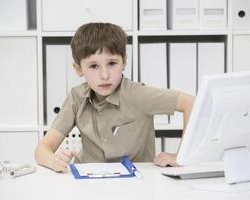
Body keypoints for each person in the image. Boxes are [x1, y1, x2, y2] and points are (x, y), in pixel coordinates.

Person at [34, 22, 194, 172]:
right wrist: (54, 160)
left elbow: (191, 103)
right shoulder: (77, 97)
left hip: (137, 182)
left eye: (112, 63)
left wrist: (181, 156)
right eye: (94, 66)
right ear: (78, 69)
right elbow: (42, 150)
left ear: (124, 62)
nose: (105, 75)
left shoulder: (138, 94)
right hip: (88, 182)